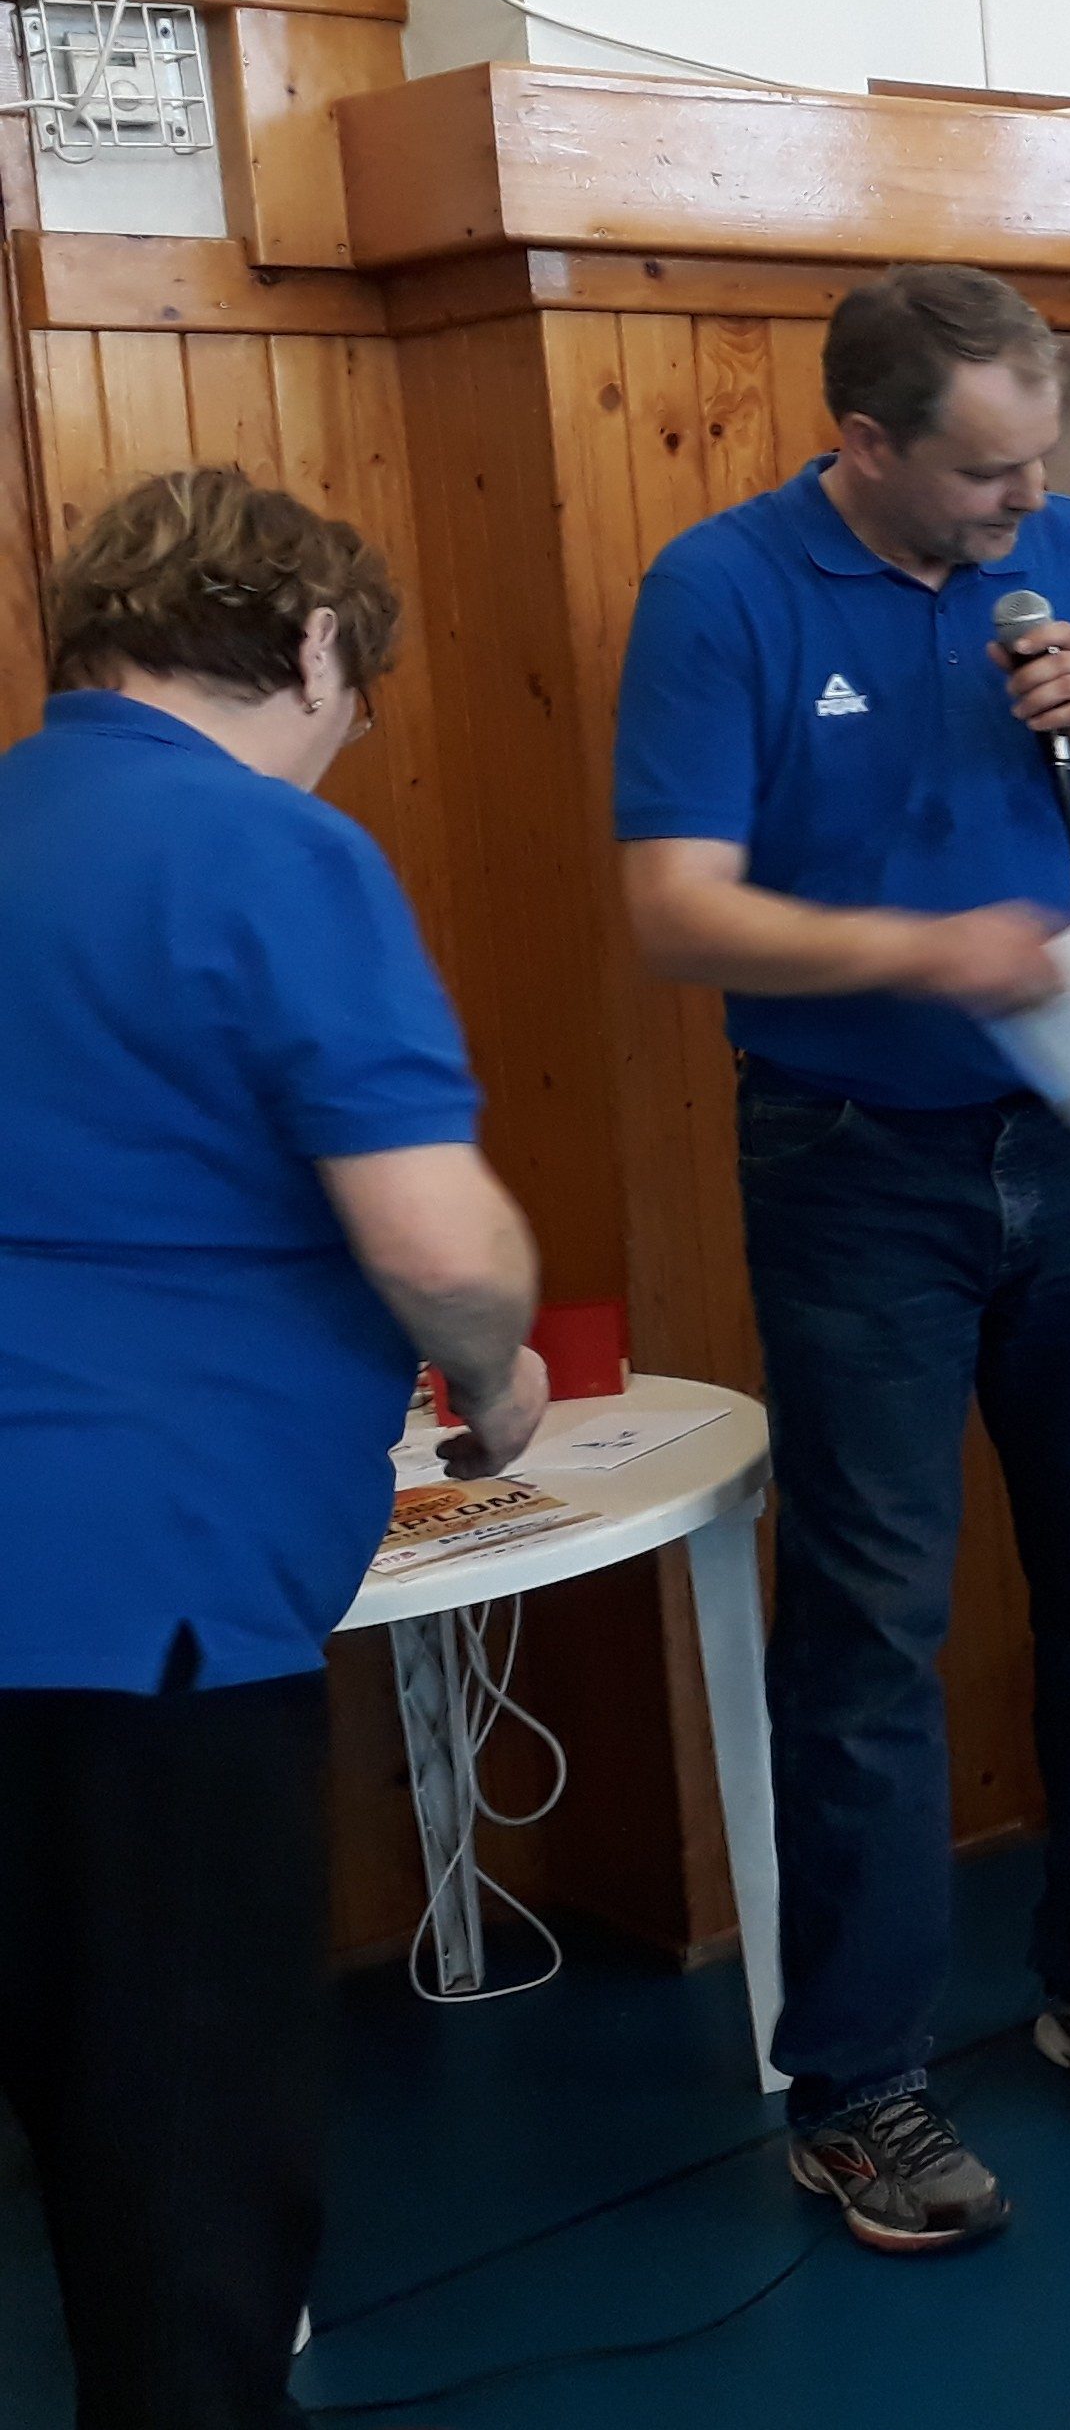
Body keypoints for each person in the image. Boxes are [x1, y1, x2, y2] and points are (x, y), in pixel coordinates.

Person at [613, 264, 1070, 2245]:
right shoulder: (724, 592)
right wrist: (920, 951)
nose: (1023, 502)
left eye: (1037, 463)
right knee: (871, 1625)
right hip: (853, 1162)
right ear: (864, 443)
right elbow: (676, 908)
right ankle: (859, 2085)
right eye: (984, 473)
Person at [0, 470, 548, 2430]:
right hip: (146, 1611)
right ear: (314, 647)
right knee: (184, 2203)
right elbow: (437, 1244)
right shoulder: (270, 852)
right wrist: (500, 1374)